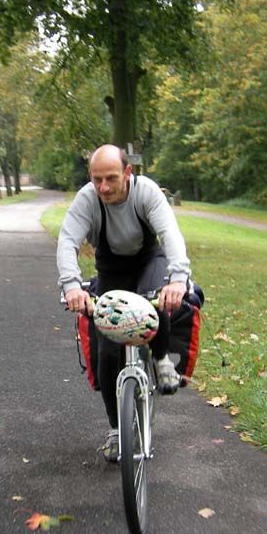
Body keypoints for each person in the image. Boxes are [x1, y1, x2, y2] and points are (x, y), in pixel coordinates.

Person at [57, 144, 192, 463]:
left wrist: (177, 279)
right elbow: (67, 240)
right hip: (111, 269)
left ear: (128, 172)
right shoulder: (87, 199)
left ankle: (161, 358)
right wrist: (72, 285)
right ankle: (117, 430)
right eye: (97, 179)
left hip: (148, 262)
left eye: (111, 178)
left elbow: (169, 234)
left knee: (156, 300)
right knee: (106, 351)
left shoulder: (146, 193)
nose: (103, 187)